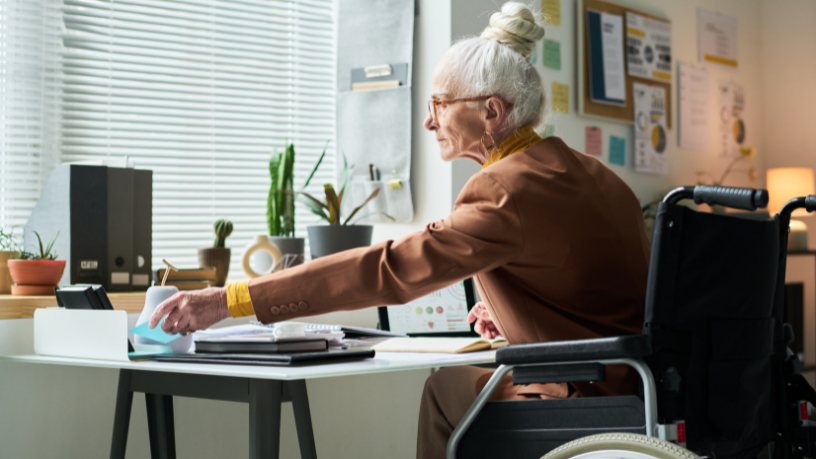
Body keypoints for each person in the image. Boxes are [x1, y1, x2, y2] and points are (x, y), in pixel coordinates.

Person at [148, 3, 650, 458]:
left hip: (584, 396)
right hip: (643, 390)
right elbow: (592, 294)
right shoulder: (593, 174)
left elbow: (390, 270)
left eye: (440, 104)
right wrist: (516, 322)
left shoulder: (503, 188)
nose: (430, 123)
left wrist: (229, 300)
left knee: (444, 387)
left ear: (490, 112)